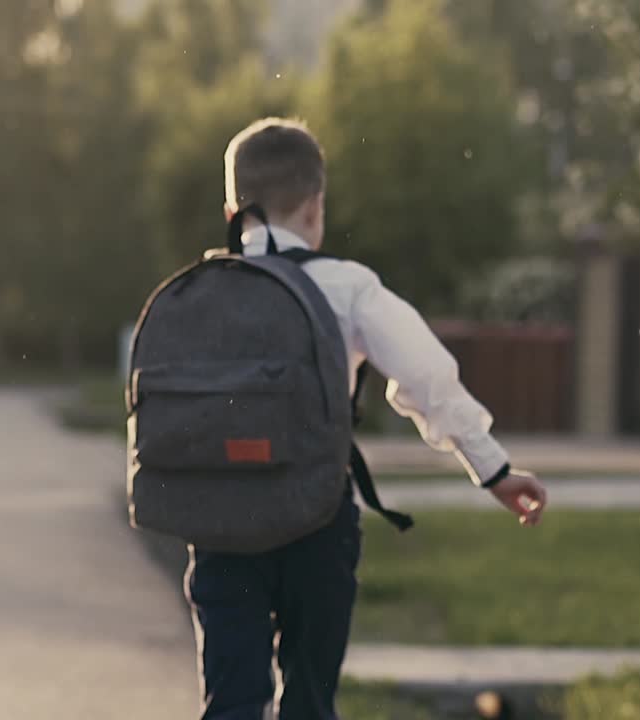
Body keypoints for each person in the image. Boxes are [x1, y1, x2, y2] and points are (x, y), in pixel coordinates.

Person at [181, 118, 549, 720]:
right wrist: (494, 469)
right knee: (309, 701)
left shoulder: (202, 289)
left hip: (223, 524)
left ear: (233, 207)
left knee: (232, 705)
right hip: (316, 519)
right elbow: (429, 379)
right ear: (316, 204)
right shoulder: (349, 288)